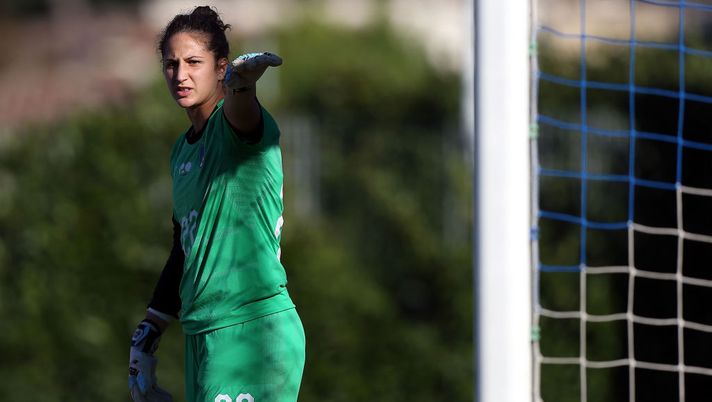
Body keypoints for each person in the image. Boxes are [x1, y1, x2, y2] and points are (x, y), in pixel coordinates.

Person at [128, 6, 305, 402]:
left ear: (220, 67)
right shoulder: (181, 152)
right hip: (204, 335)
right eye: (171, 64)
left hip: (253, 331)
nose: (180, 74)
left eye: (194, 62)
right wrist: (149, 330)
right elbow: (183, 248)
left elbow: (244, 115)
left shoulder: (235, 124)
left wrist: (241, 86)